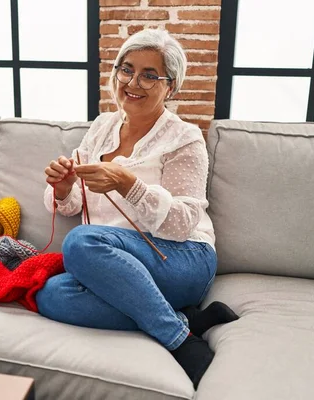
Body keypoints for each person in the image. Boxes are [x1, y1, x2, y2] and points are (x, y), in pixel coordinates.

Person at [36, 28, 238, 388]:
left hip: (181, 257)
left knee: (81, 243)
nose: (133, 82)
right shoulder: (102, 127)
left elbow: (182, 223)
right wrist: (65, 186)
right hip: (117, 265)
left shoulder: (184, 138)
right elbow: (73, 205)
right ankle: (182, 320)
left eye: (149, 75)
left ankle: (180, 342)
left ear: (170, 87)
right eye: (126, 69)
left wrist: (127, 183)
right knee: (51, 295)